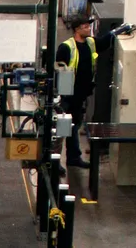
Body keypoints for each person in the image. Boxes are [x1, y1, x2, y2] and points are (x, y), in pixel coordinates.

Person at [55, 15, 98, 169]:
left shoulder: (90, 43)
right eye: (85, 26)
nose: (88, 29)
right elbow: (58, 71)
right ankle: (55, 161)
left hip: (80, 96)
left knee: (74, 126)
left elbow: (105, 42)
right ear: (77, 30)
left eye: (88, 26)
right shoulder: (66, 47)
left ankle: (73, 157)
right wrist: (59, 95)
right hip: (67, 96)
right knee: (61, 128)